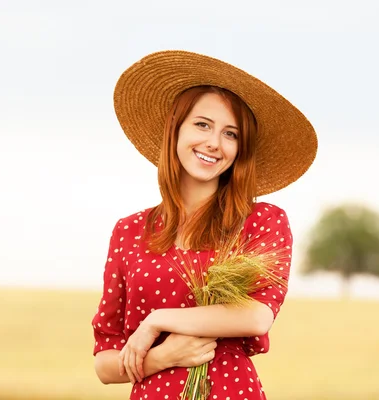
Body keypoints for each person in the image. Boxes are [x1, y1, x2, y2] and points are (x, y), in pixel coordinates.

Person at [92, 50, 317, 399]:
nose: (214, 143)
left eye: (231, 134)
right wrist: (162, 357)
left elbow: (256, 317)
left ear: (241, 150)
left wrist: (156, 320)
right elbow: (105, 362)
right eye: (202, 125)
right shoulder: (130, 230)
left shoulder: (261, 221)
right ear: (175, 128)